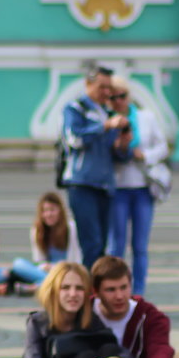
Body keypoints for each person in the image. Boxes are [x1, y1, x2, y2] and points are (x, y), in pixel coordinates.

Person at [106, 75, 169, 296]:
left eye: (122, 96)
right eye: (113, 98)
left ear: (128, 96)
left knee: (140, 246)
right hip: (118, 189)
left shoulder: (146, 118)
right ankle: (115, 289)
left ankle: (138, 292)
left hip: (143, 188)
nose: (119, 101)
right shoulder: (106, 120)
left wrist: (146, 155)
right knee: (116, 246)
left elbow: (162, 148)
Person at [61, 66, 128, 268]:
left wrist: (122, 144)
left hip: (105, 185)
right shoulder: (75, 108)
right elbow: (74, 139)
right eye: (102, 87)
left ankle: (98, 291)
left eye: (109, 88)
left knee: (102, 246)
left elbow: (116, 155)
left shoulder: (106, 111)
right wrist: (105, 126)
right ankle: (90, 292)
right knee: (91, 243)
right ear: (88, 84)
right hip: (82, 183)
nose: (107, 93)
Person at [25, 191, 82, 285]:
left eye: (52, 210)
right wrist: (45, 267)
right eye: (45, 211)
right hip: (46, 272)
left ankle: (40, 286)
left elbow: (75, 260)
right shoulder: (36, 230)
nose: (49, 214)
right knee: (18, 264)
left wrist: (55, 268)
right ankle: (49, 284)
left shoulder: (70, 227)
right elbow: (39, 261)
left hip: (66, 271)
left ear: (60, 210)